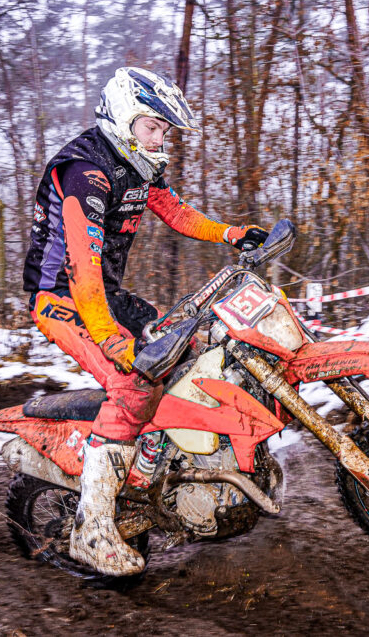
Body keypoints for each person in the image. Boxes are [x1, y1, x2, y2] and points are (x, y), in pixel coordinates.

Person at [23, 67, 268, 576]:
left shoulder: (138, 165)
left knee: (191, 346)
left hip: (106, 296)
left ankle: (166, 469)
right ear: (123, 118)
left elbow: (175, 212)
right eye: (152, 127)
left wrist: (231, 234)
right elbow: (82, 268)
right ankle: (91, 531)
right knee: (131, 386)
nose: (160, 140)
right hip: (64, 299)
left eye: (164, 131)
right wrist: (111, 341)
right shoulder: (86, 174)